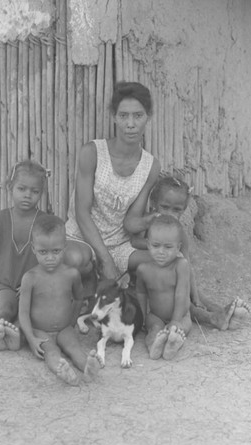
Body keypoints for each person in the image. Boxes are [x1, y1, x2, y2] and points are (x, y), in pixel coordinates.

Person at [63, 81, 161, 290]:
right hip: (82, 240)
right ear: (114, 117)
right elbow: (81, 213)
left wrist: (150, 221)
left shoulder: (150, 166)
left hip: (120, 246)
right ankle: (94, 283)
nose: (130, 124)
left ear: (148, 117)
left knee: (169, 262)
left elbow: (131, 220)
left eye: (138, 115)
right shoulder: (93, 152)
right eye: (124, 115)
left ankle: (202, 311)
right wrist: (105, 260)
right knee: (75, 260)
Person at [126, 174, 250, 330]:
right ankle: (213, 318)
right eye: (165, 207)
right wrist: (158, 246)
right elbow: (134, 241)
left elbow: (187, 263)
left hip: (174, 282)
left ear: (184, 210)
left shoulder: (179, 233)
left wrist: (196, 295)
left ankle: (221, 311)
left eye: (176, 210)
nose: (169, 214)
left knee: (192, 295)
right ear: (153, 204)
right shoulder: (148, 223)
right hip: (150, 286)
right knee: (183, 302)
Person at [0, 160, 48, 350]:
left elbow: (49, 259)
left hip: (33, 286)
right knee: (7, 308)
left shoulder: (44, 222)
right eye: (21, 189)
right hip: (6, 283)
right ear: (9, 187)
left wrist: (36, 281)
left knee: (30, 313)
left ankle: (17, 337)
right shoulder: (0, 220)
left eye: (34, 191)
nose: (27, 195)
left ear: (41, 194)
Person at [18, 214, 101, 385]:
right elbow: (23, 313)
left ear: (64, 247)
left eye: (56, 251)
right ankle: (62, 371)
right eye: (43, 252)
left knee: (74, 347)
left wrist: (71, 322)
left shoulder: (71, 274)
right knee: (51, 351)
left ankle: (88, 367)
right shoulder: (30, 278)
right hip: (40, 330)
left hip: (64, 328)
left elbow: (79, 298)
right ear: (33, 249)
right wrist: (31, 338)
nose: (50, 257)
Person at [136, 215, 192, 360]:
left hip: (181, 316)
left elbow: (181, 294)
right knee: (154, 329)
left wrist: (175, 320)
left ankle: (172, 344)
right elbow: (140, 293)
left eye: (168, 247)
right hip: (156, 316)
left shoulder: (181, 265)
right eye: (156, 246)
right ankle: (153, 345)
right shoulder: (143, 269)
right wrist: (141, 317)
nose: (161, 251)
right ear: (148, 245)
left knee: (179, 330)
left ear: (178, 247)